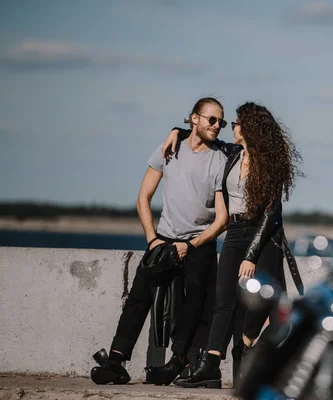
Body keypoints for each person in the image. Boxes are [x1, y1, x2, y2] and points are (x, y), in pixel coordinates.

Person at [153, 102, 303, 388]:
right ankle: (210, 364)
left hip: (262, 235)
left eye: (236, 123)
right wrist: (177, 130)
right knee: (224, 300)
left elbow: (272, 214)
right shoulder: (232, 153)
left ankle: (246, 345)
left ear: (250, 128)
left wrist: (251, 255)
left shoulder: (268, 162)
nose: (231, 127)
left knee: (261, 302)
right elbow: (202, 134)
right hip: (234, 231)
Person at [90, 97, 229, 386]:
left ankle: (178, 361)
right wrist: (153, 239)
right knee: (138, 297)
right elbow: (143, 197)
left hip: (198, 244)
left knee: (195, 302)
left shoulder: (220, 159)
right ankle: (116, 359)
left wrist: (190, 245)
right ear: (194, 119)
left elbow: (222, 218)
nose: (217, 126)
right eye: (211, 120)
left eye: (221, 121)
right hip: (162, 240)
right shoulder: (169, 149)